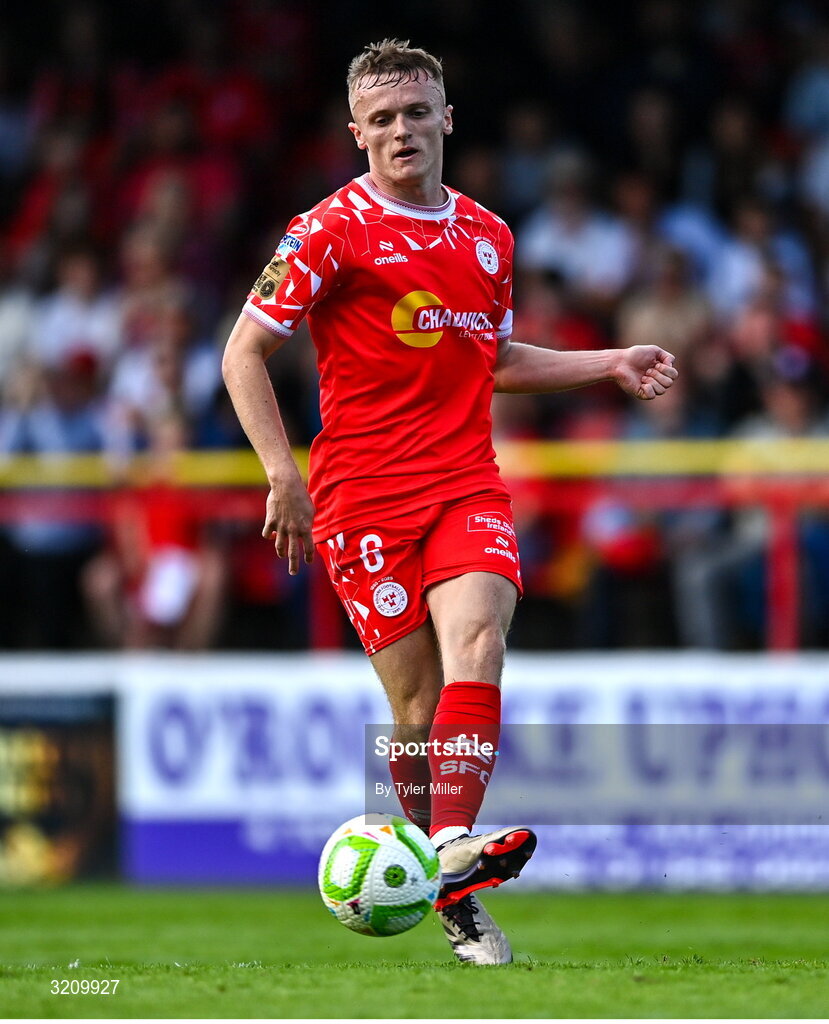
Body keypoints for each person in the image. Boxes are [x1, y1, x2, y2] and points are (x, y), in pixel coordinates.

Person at [222, 39, 678, 965]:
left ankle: (452, 861)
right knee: (419, 712)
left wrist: (611, 360)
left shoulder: (488, 235)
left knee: (481, 643)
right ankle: (450, 882)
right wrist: (282, 474)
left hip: (465, 480)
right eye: (381, 119)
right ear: (356, 133)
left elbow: (496, 360)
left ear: (446, 119)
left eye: (415, 113)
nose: (401, 131)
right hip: (359, 498)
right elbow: (241, 353)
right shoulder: (326, 233)